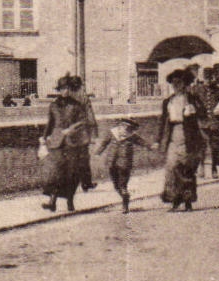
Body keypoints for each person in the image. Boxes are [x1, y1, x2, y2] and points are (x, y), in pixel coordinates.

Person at [41, 75, 96, 212]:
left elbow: (83, 121)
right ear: (58, 90)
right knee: (55, 172)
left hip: (73, 142)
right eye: (62, 89)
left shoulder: (76, 105)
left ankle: (70, 201)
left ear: (70, 89)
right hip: (57, 142)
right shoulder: (53, 105)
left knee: (71, 173)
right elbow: (50, 123)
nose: (65, 91)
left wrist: (70, 130)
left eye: (67, 88)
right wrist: (44, 137)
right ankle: (52, 201)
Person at [157, 69, 206, 211]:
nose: (176, 85)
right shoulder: (168, 101)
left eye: (179, 82)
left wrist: (194, 110)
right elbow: (163, 121)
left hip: (188, 136)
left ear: (185, 84)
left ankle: (188, 201)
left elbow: (203, 114)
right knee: (172, 168)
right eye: (174, 83)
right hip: (173, 135)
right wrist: (158, 139)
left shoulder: (192, 98)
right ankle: (174, 200)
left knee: (186, 169)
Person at [95, 118, 150, 212]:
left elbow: (142, 142)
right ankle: (125, 196)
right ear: (119, 126)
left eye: (127, 128)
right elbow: (104, 143)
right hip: (113, 162)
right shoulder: (113, 133)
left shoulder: (131, 136)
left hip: (123, 163)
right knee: (117, 184)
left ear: (129, 129)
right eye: (123, 126)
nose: (124, 129)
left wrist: (150, 146)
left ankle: (125, 201)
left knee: (121, 184)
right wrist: (98, 152)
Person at [196, 66, 219, 178]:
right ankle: (201, 166)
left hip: (214, 122)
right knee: (201, 146)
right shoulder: (197, 89)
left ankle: (214, 168)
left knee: (215, 146)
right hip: (202, 122)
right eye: (206, 78)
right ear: (203, 78)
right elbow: (191, 102)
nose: (208, 81)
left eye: (210, 78)